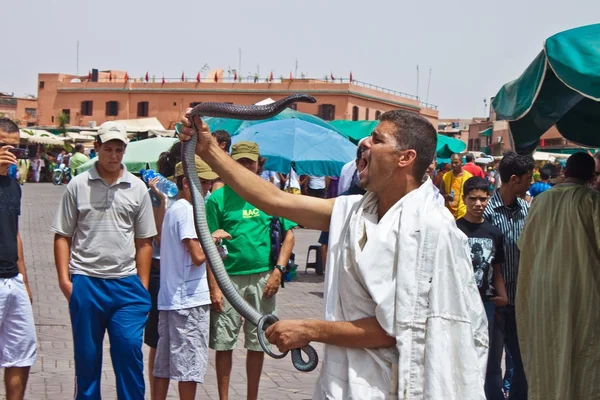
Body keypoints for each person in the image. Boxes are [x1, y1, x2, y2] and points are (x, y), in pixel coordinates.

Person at [178, 109, 488, 399]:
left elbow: (398, 328)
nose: (364, 142)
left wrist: (308, 329)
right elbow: (274, 200)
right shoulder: (354, 211)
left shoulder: (432, 230)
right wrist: (208, 149)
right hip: (345, 385)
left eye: (378, 139)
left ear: (405, 158)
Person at [51, 121, 156, 400]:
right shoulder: (77, 185)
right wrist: (65, 282)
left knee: (129, 351)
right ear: (96, 148)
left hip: (126, 286)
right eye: (107, 149)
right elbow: (62, 234)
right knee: (87, 361)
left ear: (125, 151)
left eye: (118, 150)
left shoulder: (137, 187)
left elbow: (145, 241)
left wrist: (142, 287)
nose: (113, 155)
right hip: (86, 282)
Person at [205, 141, 297, 400]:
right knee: (224, 343)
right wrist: (214, 287)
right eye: (240, 161)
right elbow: (209, 245)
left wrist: (278, 272)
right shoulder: (217, 198)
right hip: (227, 280)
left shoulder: (268, 193)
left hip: (262, 277)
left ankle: (251, 396)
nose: (246, 166)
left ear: (259, 163)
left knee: (259, 342)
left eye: (250, 161)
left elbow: (289, 235)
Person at [516, 152, 600, 400]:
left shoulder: (540, 202)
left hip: (544, 295)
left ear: (565, 172)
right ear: (591, 176)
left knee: (548, 354)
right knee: (582, 355)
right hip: (583, 292)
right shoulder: (592, 202)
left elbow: (524, 244)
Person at [153, 157, 227, 400]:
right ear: (186, 182)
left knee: (164, 366)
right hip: (188, 301)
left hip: (172, 299)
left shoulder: (174, 208)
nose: (207, 188)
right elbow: (196, 255)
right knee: (189, 370)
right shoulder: (187, 210)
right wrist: (214, 238)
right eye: (203, 183)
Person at [483, 151, 534, 400]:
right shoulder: (486, 212)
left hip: (522, 301)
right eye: (528, 177)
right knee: (492, 365)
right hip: (494, 303)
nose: (531, 182)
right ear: (514, 179)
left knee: (523, 363)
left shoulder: (528, 210)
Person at [456, 176, 508, 398]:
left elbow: (496, 270)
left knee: (483, 352)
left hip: (486, 303)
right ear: (464, 199)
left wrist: (503, 296)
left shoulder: (494, 233)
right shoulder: (454, 229)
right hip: (458, 302)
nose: (478, 204)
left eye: (483, 199)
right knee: (459, 352)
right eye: (473, 199)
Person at [0, 118, 36, 400]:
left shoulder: (13, 184)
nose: (9, 151)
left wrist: (23, 278)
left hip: (12, 280)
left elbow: (15, 232)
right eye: (2, 144)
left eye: (15, 147)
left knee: (21, 353)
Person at [143, 141, 182, 400]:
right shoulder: (157, 192)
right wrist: (162, 200)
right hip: (159, 271)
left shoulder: (192, 192)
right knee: (158, 342)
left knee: (179, 342)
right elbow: (155, 238)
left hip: (182, 275)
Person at [441, 153, 473, 219]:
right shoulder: (446, 176)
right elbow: (441, 193)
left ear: (461, 162)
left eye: (456, 162)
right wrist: (446, 196)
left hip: (463, 214)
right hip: (448, 215)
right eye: (452, 162)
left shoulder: (469, 177)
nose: (453, 165)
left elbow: (472, 195)